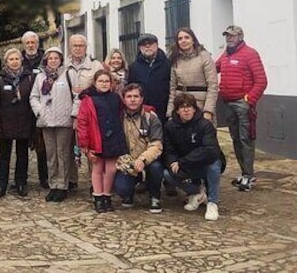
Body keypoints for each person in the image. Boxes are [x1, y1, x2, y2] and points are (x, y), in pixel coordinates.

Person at [216, 25, 268, 192]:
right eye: (227, 36)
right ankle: (244, 172)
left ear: (240, 36)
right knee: (236, 139)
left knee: (246, 139)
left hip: (242, 103)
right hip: (228, 103)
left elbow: (261, 81)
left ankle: (248, 175)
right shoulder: (225, 55)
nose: (229, 38)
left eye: (232, 36)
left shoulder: (250, 54)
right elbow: (212, 68)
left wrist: (249, 100)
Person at [162, 93, 226, 221]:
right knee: (167, 174)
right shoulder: (170, 126)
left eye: (189, 107)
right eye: (182, 107)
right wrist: (173, 161)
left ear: (195, 109)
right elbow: (169, 150)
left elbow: (210, 150)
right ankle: (196, 193)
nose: (186, 110)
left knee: (214, 165)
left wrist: (182, 161)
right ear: (177, 110)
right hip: (186, 165)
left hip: (203, 162)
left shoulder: (205, 125)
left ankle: (212, 202)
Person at [30, 46, 78, 202]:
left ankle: (63, 185)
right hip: (46, 121)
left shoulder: (69, 74)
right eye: (50, 58)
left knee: (63, 154)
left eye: (56, 58)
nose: (53, 61)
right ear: (46, 60)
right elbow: (34, 97)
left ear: (61, 60)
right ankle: (53, 184)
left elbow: (77, 96)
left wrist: (73, 114)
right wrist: (40, 111)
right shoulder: (40, 77)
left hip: (64, 120)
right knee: (50, 154)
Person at [77, 70, 127, 213]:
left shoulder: (116, 98)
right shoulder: (88, 100)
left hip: (113, 138)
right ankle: (98, 197)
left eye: (107, 81)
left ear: (111, 84)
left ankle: (107, 195)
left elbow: (125, 112)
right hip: (96, 139)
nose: (104, 84)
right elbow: (82, 122)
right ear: (95, 83)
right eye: (101, 81)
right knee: (98, 169)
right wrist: (85, 145)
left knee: (111, 170)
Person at [0, 48, 36, 198]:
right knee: (4, 156)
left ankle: (21, 182)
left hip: (24, 121)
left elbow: (33, 98)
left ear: (21, 60)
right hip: (6, 122)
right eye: (11, 59)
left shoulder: (29, 77)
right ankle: (1, 184)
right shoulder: (0, 78)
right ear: (6, 62)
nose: (14, 62)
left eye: (17, 59)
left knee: (22, 155)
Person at [113, 83, 165, 213]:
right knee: (121, 188)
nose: (132, 99)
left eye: (136, 96)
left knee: (156, 168)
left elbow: (156, 144)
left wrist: (142, 160)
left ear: (142, 99)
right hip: (127, 160)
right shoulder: (118, 117)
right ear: (123, 99)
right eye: (129, 96)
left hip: (148, 159)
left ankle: (154, 196)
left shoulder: (151, 117)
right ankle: (128, 194)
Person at [168, 27, 218, 123]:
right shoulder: (175, 60)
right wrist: (170, 112)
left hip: (201, 105)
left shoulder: (204, 57)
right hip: (181, 107)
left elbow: (213, 85)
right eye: (180, 38)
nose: (183, 41)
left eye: (187, 37)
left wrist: (208, 110)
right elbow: (173, 88)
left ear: (193, 40)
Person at [21, 31, 49, 189]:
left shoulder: (45, 60)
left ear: (37, 44)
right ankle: (22, 179)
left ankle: (44, 178)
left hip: (42, 107)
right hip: (23, 109)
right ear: (24, 45)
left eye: (33, 42)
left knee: (43, 146)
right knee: (22, 146)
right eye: (28, 43)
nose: (31, 45)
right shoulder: (19, 60)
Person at [128, 33, 171, 122]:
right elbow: (131, 88)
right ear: (140, 48)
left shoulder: (168, 64)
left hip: (164, 110)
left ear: (157, 45)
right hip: (142, 111)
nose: (147, 46)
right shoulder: (133, 67)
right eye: (143, 45)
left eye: (150, 44)